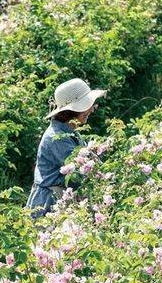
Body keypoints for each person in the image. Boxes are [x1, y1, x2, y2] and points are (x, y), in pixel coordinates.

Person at [26, 78, 106, 218]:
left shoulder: (69, 131)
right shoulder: (57, 137)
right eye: (87, 106)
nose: (92, 109)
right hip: (48, 204)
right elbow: (78, 175)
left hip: (60, 199)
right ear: (71, 111)